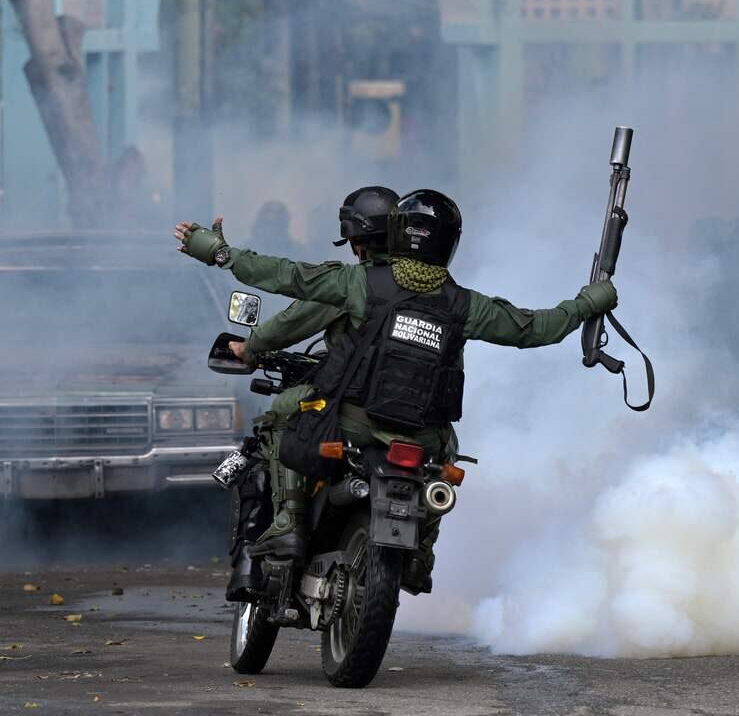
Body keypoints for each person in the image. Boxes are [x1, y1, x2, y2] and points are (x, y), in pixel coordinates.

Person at [174, 187, 618, 598]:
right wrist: (588, 302)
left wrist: (219, 253)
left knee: (285, 415)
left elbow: (285, 276)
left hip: (352, 421)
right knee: (447, 458)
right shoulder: (465, 305)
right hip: (423, 437)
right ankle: (420, 552)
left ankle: (289, 521)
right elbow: (535, 328)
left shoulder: (359, 283)